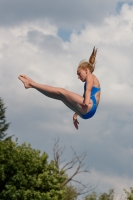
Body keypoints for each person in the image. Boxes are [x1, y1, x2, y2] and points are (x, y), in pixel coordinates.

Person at [18, 47, 101, 130]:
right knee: (60, 96)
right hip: (86, 113)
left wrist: (86, 102)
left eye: (79, 74)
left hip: (89, 106)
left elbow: (88, 90)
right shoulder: (88, 81)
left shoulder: (90, 76)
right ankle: (32, 85)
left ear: (86, 70)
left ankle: (32, 83)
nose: (78, 77)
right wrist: (76, 114)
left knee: (61, 91)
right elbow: (83, 98)